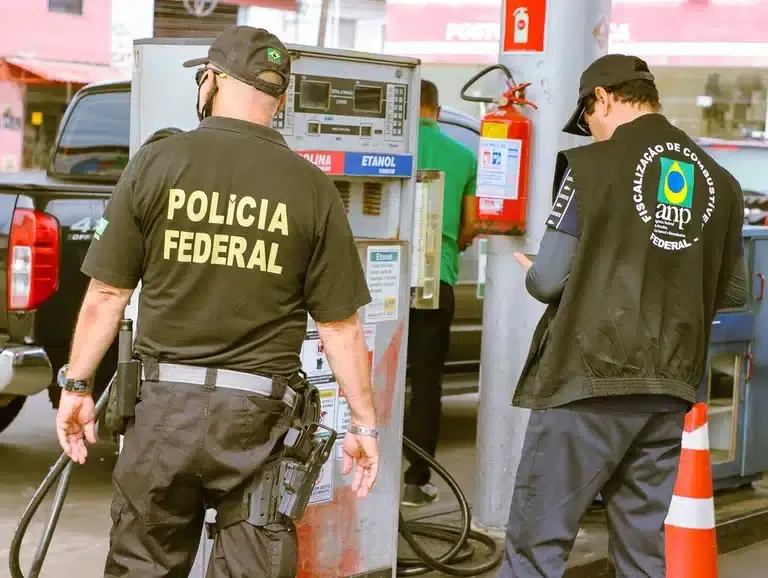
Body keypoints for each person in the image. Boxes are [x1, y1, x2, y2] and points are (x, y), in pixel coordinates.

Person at [54, 25, 380, 578]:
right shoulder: (313, 187)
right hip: (260, 422)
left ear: (212, 80)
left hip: (163, 414)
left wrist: (78, 387)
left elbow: (108, 293)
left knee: (142, 566)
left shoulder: (158, 163)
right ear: (279, 98)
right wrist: (364, 426)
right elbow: (340, 326)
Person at [500, 54, 748, 577]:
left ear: (603, 98)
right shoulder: (721, 183)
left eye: (588, 117)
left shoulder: (591, 168)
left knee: (536, 549)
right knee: (641, 551)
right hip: (669, 387)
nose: (590, 130)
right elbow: (731, 293)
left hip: (587, 379)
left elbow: (548, 279)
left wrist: (539, 271)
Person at [401, 79, 477, 507]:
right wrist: (455, 243)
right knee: (426, 383)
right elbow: (471, 225)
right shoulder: (464, 155)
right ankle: (416, 481)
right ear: (438, 109)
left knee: (373, 378)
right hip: (436, 278)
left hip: (381, 280)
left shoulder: (395, 148)